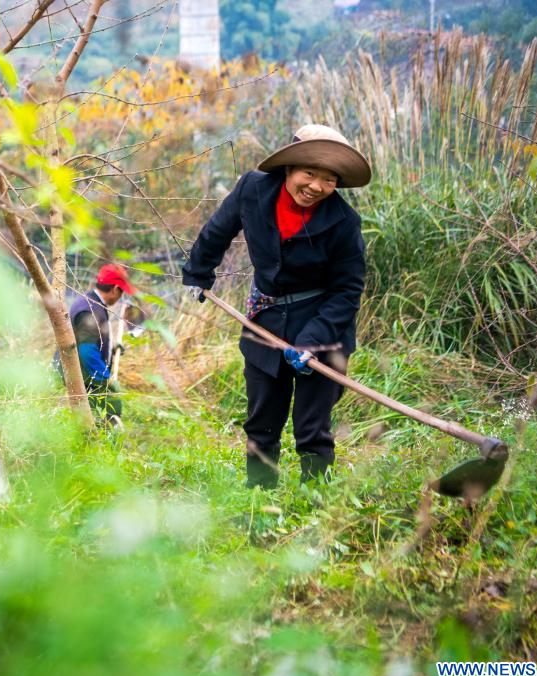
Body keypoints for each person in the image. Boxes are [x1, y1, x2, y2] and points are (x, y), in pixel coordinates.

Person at [182, 124, 372, 488]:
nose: (316, 186)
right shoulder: (253, 189)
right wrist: (198, 272)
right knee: (262, 420)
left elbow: (347, 290)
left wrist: (313, 339)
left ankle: (314, 501)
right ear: (289, 167)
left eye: (329, 179)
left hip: (323, 324)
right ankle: (259, 497)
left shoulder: (344, 222)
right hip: (265, 318)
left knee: (312, 427)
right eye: (309, 173)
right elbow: (218, 230)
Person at [63, 264, 137, 428]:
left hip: (85, 373)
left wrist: (111, 349)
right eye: (122, 292)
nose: (121, 296)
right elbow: (87, 351)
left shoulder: (92, 303)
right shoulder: (90, 310)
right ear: (115, 289)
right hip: (86, 376)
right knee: (109, 411)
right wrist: (105, 379)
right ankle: (105, 439)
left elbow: (91, 340)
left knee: (97, 417)